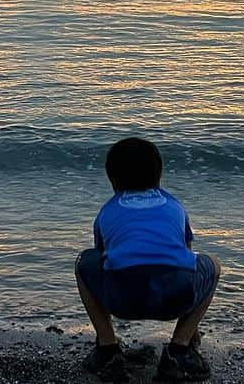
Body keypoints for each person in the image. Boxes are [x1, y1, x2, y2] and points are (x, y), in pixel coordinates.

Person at [76, 137, 221, 382]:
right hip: (174, 299)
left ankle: (107, 347)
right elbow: (186, 256)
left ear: (112, 179)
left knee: (84, 262)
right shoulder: (174, 206)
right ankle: (181, 347)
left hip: (122, 300)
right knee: (212, 266)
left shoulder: (107, 210)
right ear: (159, 175)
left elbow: (103, 259)